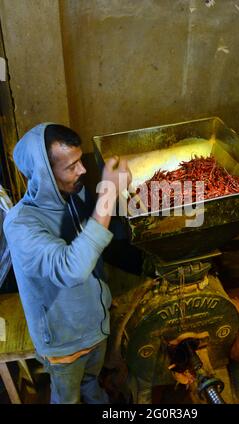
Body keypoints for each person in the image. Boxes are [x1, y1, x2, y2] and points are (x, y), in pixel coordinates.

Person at [4, 123, 131, 404]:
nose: (82, 171)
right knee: (66, 397)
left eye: (80, 161)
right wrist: (108, 194)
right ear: (44, 175)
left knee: (90, 380)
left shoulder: (74, 196)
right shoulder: (21, 224)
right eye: (71, 166)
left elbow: (94, 239)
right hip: (65, 343)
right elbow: (70, 268)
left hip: (96, 325)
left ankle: (96, 396)